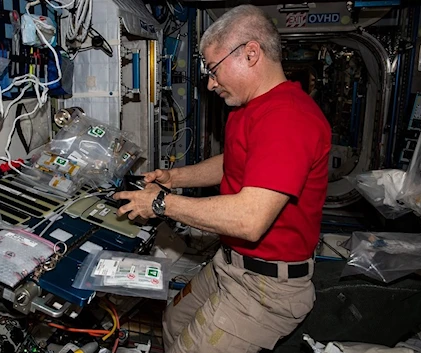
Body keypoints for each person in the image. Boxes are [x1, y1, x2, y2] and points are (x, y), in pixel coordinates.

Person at [113, 4, 332, 353]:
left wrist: (160, 203)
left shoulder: (288, 118)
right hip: (229, 264)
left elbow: (249, 220)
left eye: (214, 70)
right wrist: (173, 177)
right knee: (173, 321)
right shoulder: (251, 108)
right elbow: (235, 162)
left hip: (265, 288)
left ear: (250, 54)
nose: (211, 83)